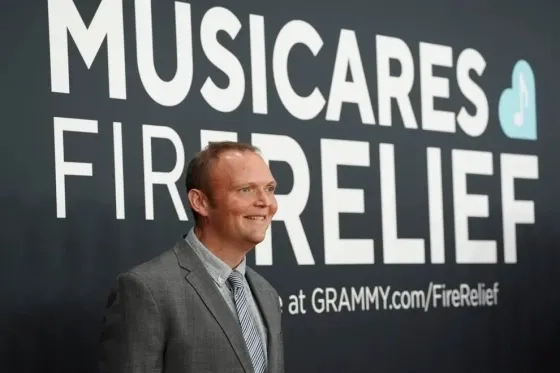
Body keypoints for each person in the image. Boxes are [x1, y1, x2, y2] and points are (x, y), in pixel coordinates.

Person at [98, 141, 284, 373]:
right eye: (246, 189)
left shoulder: (266, 294)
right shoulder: (147, 289)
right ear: (200, 202)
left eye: (269, 189)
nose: (266, 202)